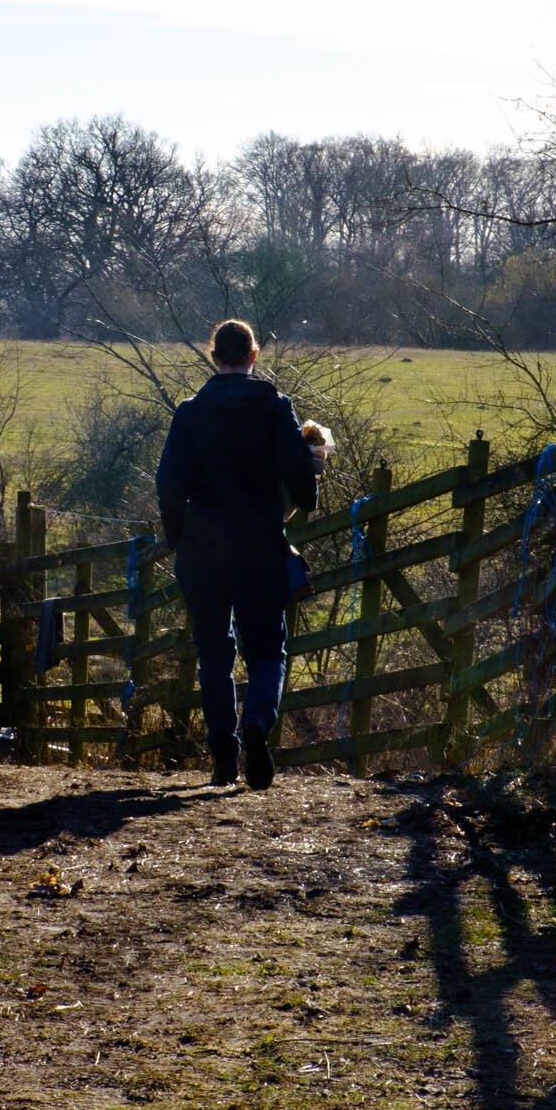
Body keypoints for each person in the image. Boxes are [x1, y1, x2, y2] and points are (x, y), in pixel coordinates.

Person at [155, 320, 319, 789]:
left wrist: (176, 538)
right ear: (253, 356)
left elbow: (168, 485)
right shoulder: (274, 406)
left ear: (214, 357)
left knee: (214, 653)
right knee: (267, 649)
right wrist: (308, 495)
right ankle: (256, 725)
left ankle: (224, 753)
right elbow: (295, 468)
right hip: (260, 547)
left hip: (203, 551)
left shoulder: (189, 412)